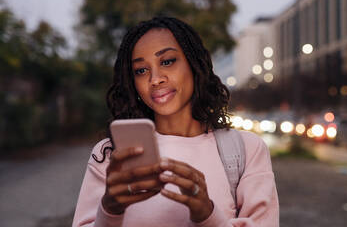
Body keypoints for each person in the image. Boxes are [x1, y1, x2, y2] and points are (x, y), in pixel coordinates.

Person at [72, 16, 279, 227]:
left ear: (194, 64)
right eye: (141, 70)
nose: (155, 79)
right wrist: (109, 210)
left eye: (167, 61)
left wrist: (207, 215)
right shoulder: (111, 154)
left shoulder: (246, 150)